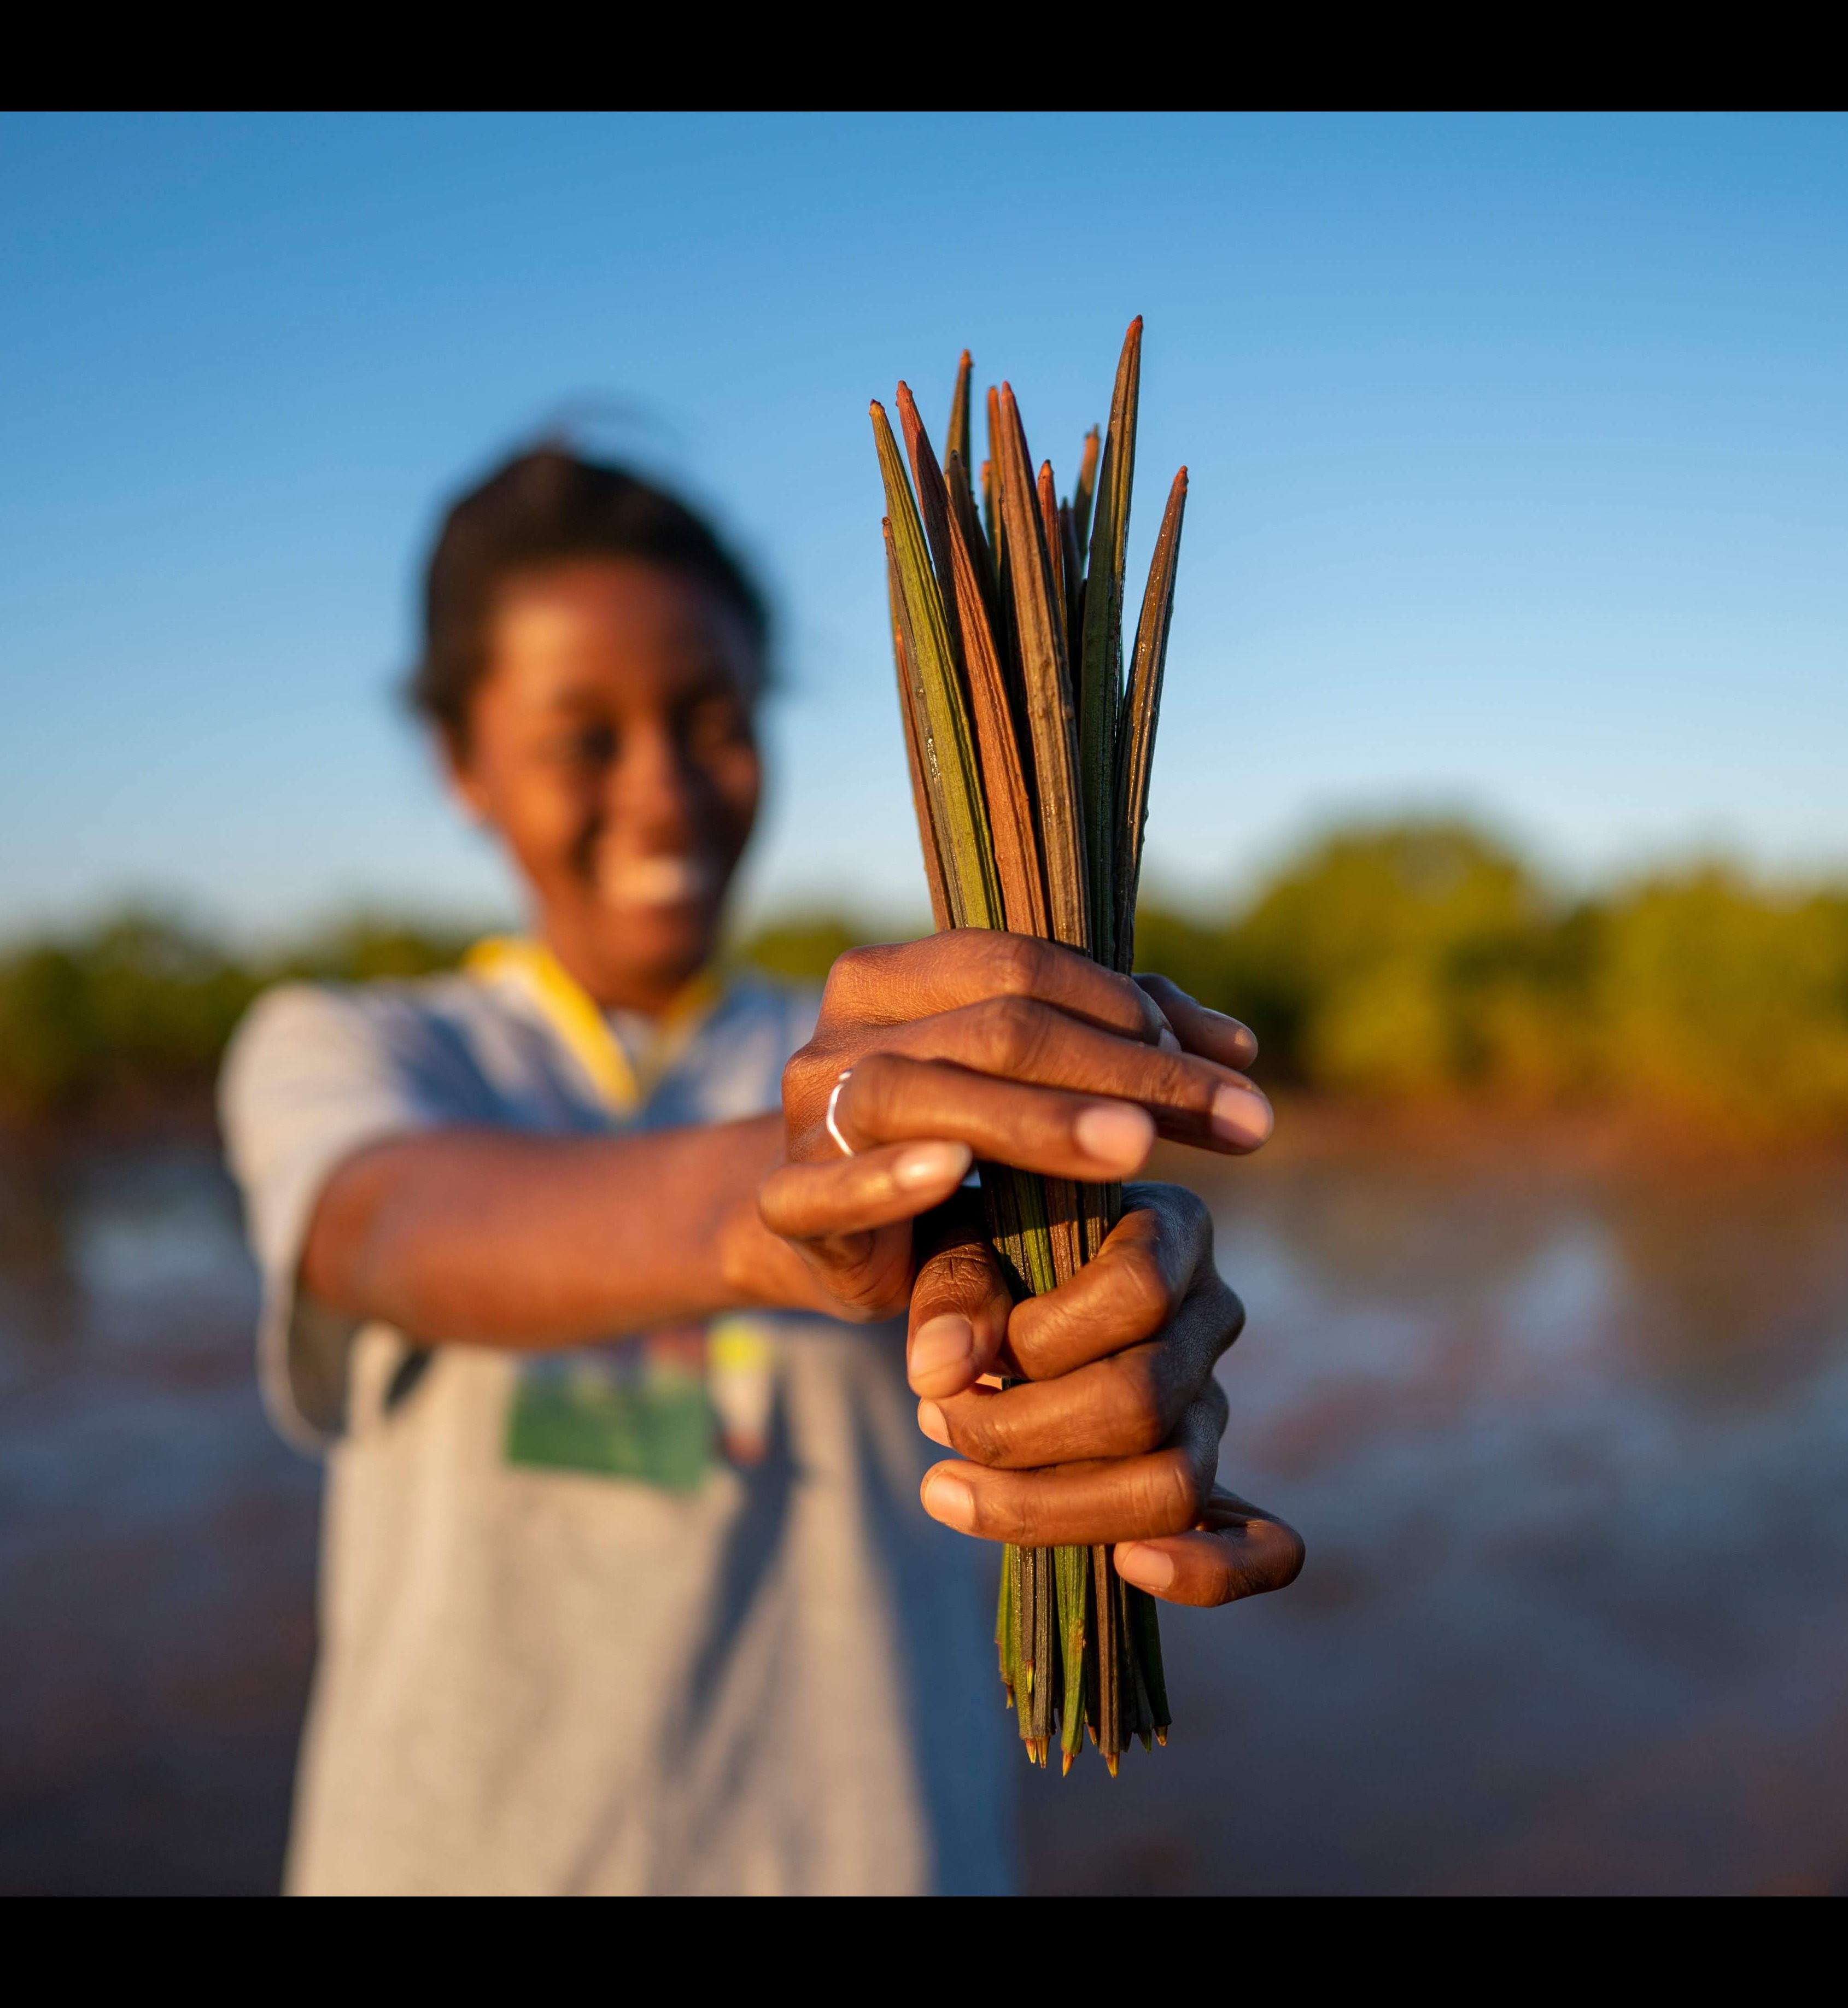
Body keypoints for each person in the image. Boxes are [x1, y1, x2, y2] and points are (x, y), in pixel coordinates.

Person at [219, 446, 1303, 1896]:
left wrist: (1096, 1301)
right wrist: (798, 1198)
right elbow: (388, 1225)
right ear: (462, 763)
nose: (664, 791)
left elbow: (996, 1311)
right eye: (580, 736)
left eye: (712, 719)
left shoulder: (889, 1060)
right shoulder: (353, 1047)